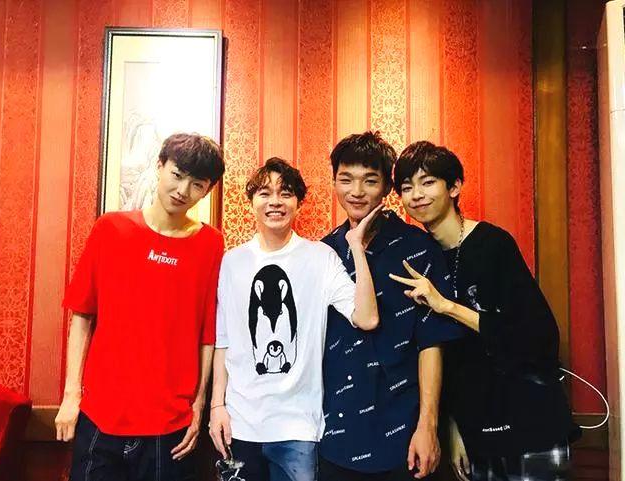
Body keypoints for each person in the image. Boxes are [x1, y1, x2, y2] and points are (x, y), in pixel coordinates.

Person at [390, 141, 579, 481]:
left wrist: (448, 306)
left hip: (530, 421)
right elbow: (441, 355)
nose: (416, 195)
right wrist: (453, 428)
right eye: (406, 187)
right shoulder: (420, 258)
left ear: (454, 187)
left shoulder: (493, 244)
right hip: (476, 429)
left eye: (428, 182)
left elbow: (539, 337)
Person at [55, 133, 226, 481]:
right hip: (101, 415)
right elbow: (82, 315)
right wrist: (71, 395)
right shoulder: (110, 229)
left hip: (171, 425)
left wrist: (198, 404)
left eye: (197, 184)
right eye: (177, 175)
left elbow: (208, 333)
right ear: (159, 166)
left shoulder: (211, 244)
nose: (182, 190)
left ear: (207, 190)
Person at [208, 158, 380, 481]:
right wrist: (217, 406)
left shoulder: (320, 258)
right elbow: (224, 341)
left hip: (298, 428)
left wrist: (356, 246)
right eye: (264, 193)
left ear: (298, 203)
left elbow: (367, 318)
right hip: (240, 424)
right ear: (251, 202)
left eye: (285, 193)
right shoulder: (232, 262)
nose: (275, 201)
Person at [319, 131, 464, 481]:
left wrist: (428, 425)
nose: (356, 191)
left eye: (370, 181)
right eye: (346, 179)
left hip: (403, 429)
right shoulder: (323, 253)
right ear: (334, 182)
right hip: (335, 430)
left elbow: (432, 343)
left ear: (387, 188)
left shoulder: (418, 248)